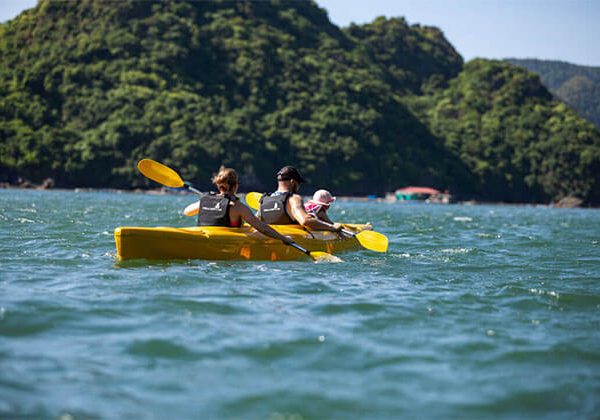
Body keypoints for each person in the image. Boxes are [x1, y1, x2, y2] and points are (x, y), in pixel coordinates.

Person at [193, 166, 295, 245]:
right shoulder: (237, 206)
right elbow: (263, 228)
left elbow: (187, 211)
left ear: (218, 185)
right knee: (256, 232)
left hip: (203, 236)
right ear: (235, 185)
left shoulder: (204, 200)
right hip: (224, 242)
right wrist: (284, 238)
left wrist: (207, 201)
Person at [257, 166, 342, 232]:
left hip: (269, 238)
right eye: (299, 183)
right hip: (290, 238)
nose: (298, 187)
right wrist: (332, 227)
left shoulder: (264, 199)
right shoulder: (293, 198)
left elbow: (256, 222)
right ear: (292, 182)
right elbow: (305, 221)